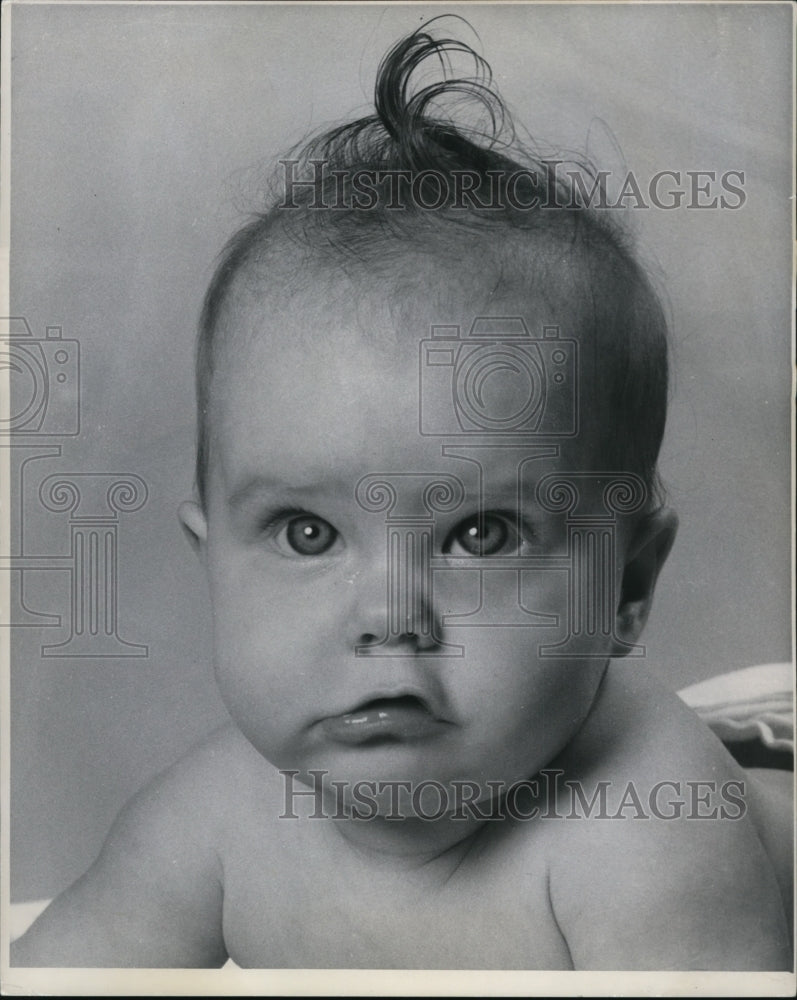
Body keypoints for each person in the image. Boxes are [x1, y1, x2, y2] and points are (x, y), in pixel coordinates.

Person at [11, 21, 792, 970]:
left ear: (623, 586)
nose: (389, 619)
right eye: (306, 533)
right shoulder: (213, 819)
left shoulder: (646, 831)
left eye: (479, 533)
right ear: (211, 560)